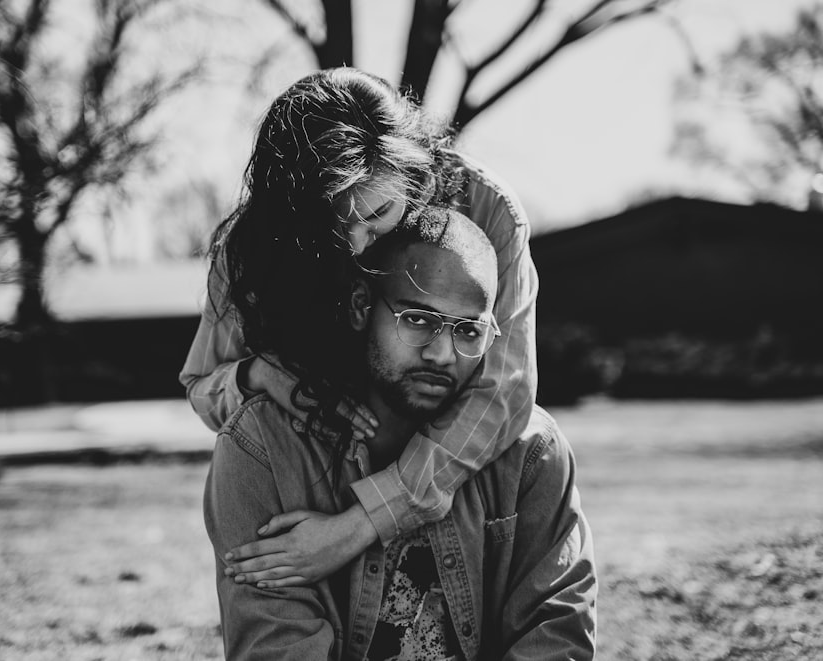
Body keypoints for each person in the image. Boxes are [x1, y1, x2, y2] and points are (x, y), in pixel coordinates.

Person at [180, 67, 538, 585]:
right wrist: (259, 375)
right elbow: (202, 383)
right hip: (313, 470)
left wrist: (361, 523)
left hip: (443, 484)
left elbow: (503, 390)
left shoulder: (488, 210)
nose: (357, 247)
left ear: (412, 174)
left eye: (378, 215)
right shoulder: (254, 247)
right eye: (332, 227)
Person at [204, 208, 596, 660]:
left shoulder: (531, 453)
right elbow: (277, 648)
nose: (444, 354)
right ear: (359, 306)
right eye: (419, 320)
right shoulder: (262, 448)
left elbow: (555, 636)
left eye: (469, 331)